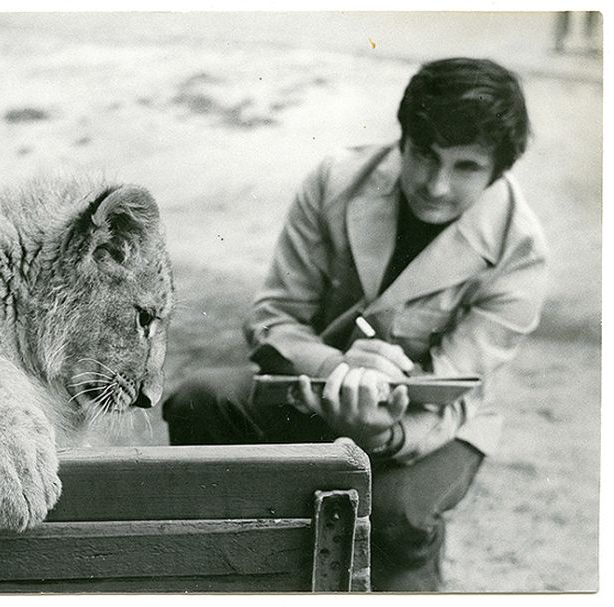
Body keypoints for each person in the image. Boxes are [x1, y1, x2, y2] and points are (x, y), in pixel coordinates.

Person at [162, 57, 548, 592]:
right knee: (199, 400)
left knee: (393, 513)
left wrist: (381, 432)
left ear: (498, 171)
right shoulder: (336, 180)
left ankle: (412, 577)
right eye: (424, 155)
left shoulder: (520, 249)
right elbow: (274, 316)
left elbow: (457, 388)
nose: (435, 185)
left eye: (465, 167)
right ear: (403, 139)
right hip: (311, 387)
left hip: (435, 423)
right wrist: (339, 367)